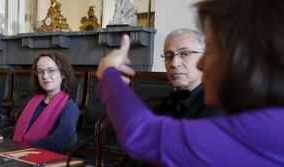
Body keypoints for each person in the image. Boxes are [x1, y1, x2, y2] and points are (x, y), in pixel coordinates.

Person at [95, 0, 284, 165]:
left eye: (211, 51)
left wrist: (108, 73)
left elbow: (142, 135)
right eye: (168, 56)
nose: (202, 64)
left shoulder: (267, 131)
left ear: (245, 57)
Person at [13, 52, 79, 153]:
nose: (45, 76)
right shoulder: (34, 101)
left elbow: (58, 141)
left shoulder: (70, 108)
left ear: (63, 74)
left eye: (51, 71)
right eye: (40, 72)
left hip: (45, 158)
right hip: (19, 153)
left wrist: (23, 149)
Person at [156, 28, 224, 119]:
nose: (174, 64)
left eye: (185, 54)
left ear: (204, 59)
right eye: (169, 56)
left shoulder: (215, 104)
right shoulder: (166, 102)